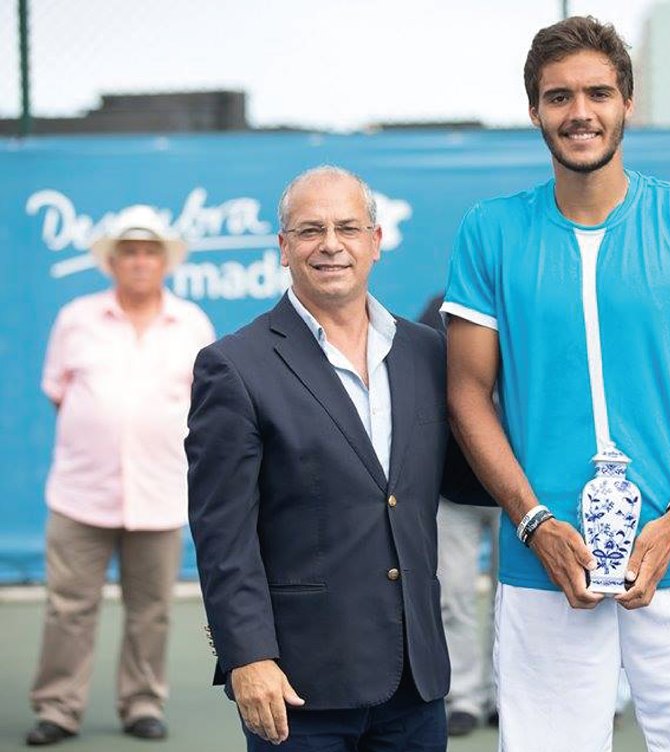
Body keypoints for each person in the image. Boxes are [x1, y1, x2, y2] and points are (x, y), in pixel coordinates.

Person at [442, 16, 670, 752]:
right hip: (547, 568)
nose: (580, 112)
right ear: (534, 111)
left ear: (627, 101)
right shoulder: (490, 230)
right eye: (558, 97)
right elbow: (467, 395)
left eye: (597, 93)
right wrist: (534, 522)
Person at [187, 166, 485, 751]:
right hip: (300, 686)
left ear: (375, 241)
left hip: (416, 681)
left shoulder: (426, 351)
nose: (330, 244)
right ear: (283, 247)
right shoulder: (234, 366)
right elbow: (223, 535)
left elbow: (459, 479)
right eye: (310, 230)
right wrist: (247, 656)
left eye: (347, 228)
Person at [26, 205, 214, 746]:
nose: (139, 261)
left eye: (149, 252)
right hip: (80, 494)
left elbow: (205, 402)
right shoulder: (76, 319)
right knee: (68, 609)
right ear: (112, 262)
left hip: (159, 493)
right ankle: (58, 708)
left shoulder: (192, 323)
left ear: (164, 262)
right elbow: (59, 391)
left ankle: (142, 703)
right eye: (129, 252)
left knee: (151, 611)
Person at [418, 294, 499, 737]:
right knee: (453, 597)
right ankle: (464, 696)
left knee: (517, 600)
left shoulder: (524, 302)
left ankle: (503, 693)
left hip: (519, 492)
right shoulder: (437, 312)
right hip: (452, 488)